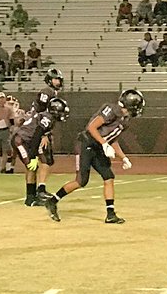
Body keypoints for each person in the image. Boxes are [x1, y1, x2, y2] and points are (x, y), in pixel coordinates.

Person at [45, 89, 145, 224]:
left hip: (98, 146)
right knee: (81, 181)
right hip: (85, 143)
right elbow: (92, 127)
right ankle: (52, 201)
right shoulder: (112, 110)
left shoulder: (124, 120)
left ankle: (110, 214)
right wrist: (104, 144)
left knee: (108, 176)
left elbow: (113, 140)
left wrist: (123, 157)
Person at [13, 97, 70, 206]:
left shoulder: (47, 117)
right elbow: (37, 135)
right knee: (31, 167)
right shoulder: (47, 118)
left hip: (26, 140)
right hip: (20, 140)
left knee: (33, 168)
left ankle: (33, 196)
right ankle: (30, 199)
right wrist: (33, 156)